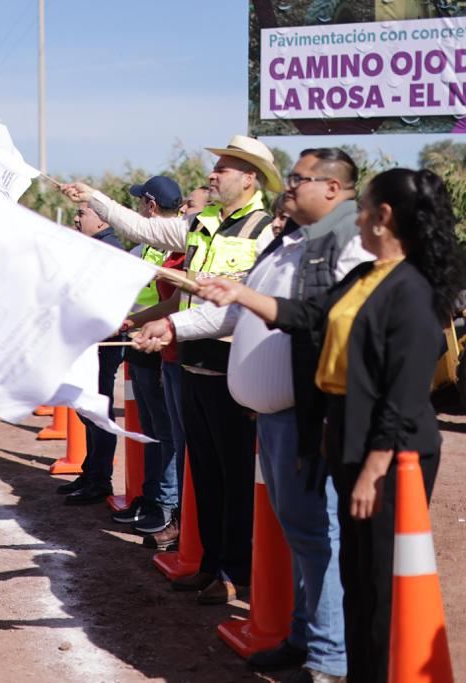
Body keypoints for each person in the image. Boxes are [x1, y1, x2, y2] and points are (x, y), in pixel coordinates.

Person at [196, 168, 466, 683]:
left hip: (392, 453)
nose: (356, 217)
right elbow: (310, 315)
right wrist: (239, 295)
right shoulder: (365, 277)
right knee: (357, 576)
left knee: (380, 581)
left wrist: (374, 468)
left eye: (364, 208)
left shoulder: (410, 290)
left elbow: (405, 390)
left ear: (384, 218)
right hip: (349, 438)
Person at [135, 148, 371, 683]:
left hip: (318, 413)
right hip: (279, 415)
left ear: (334, 189)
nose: (286, 186)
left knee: (321, 534)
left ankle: (329, 661)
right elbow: (242, 308)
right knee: (302, 533)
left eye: (298, 178)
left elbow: (334, 325)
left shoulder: (346, 244)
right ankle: (304, 636)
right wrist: (174, 327)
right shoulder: (292, 241)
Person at [63, 135, 280, 605]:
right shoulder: (201, 223)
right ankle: (211, 563)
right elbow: (145, 231)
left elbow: (240, 309)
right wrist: (94, 197)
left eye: (224, 167)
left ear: (250, 178)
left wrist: (171, 324)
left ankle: (235, 570)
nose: (213, 173)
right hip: (192, 364)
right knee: (202, 470)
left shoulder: (264, 231)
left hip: (232, 369)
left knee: (236, 475)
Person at [109, 176, 181, 536]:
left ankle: (166, 506)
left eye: (141, 202)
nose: (138, 207)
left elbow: (171, 300)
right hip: (139, 343)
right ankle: (152, 497)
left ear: (150, 206)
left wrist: (137, 322)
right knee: (151, 431)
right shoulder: (148, 246)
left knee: (164, 433)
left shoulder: (176, 246)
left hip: (160, 346)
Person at [58, 205, 126, 504]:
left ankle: (100, 480)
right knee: (89, 408)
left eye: (82, 213)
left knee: (98, 409)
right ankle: (90, 473)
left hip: (102, 342)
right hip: (90, 340)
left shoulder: (109, 249)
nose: (76, 218)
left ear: (101, 219)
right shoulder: (96, 246)